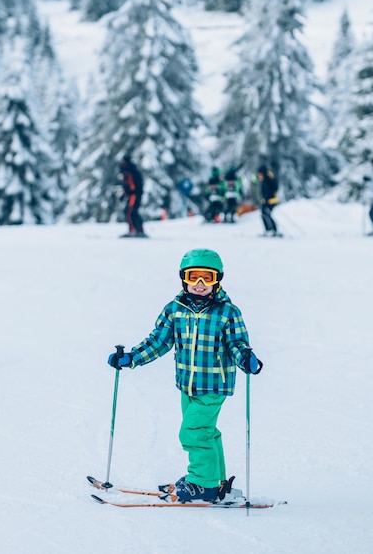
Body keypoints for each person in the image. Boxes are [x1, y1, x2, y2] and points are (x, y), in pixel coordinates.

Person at [107, 248, 262, 503]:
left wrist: (245, 357)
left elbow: (237, 343)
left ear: (218, 280)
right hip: (187, 385)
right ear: (183, 278)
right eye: (193, 277)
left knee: (193, 432)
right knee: (206, 432)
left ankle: (202, 484)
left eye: (207, 278)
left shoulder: (228, 312)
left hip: (213, 385)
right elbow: (159, 341)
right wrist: (132, 357)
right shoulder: (174, 310)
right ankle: (215, 479)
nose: (200, 284)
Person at [119, 155, 146, 237]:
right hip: (134, 194)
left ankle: (133, 230)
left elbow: (131, 185)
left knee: (130, 212)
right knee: (133, 212)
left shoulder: (129, 171)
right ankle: (139, 230)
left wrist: (128, 193)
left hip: (133, 195)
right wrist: (124, 194)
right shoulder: (131, 170)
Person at [251, 164, 281, 236]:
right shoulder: (264, 179)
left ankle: (273, 230)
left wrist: (267, 198)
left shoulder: (269, 179)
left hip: (271, 200)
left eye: (260, 173)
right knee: (264, 214)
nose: (259, 175)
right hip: (266, 201)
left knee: (267, 214)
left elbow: (273, 189)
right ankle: (269, 230)